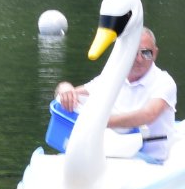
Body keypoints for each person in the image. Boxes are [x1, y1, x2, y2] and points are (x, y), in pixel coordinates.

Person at [54, 28, 177, 161]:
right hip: (117, 156)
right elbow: (70, 94)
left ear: (155, 53)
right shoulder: (112, 78)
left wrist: (101, 122)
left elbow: (148, 115)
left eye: (146, 53)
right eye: (133, 53)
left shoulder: (164, 82)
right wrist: (64, 88)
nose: (139, 59)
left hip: (153, 160)